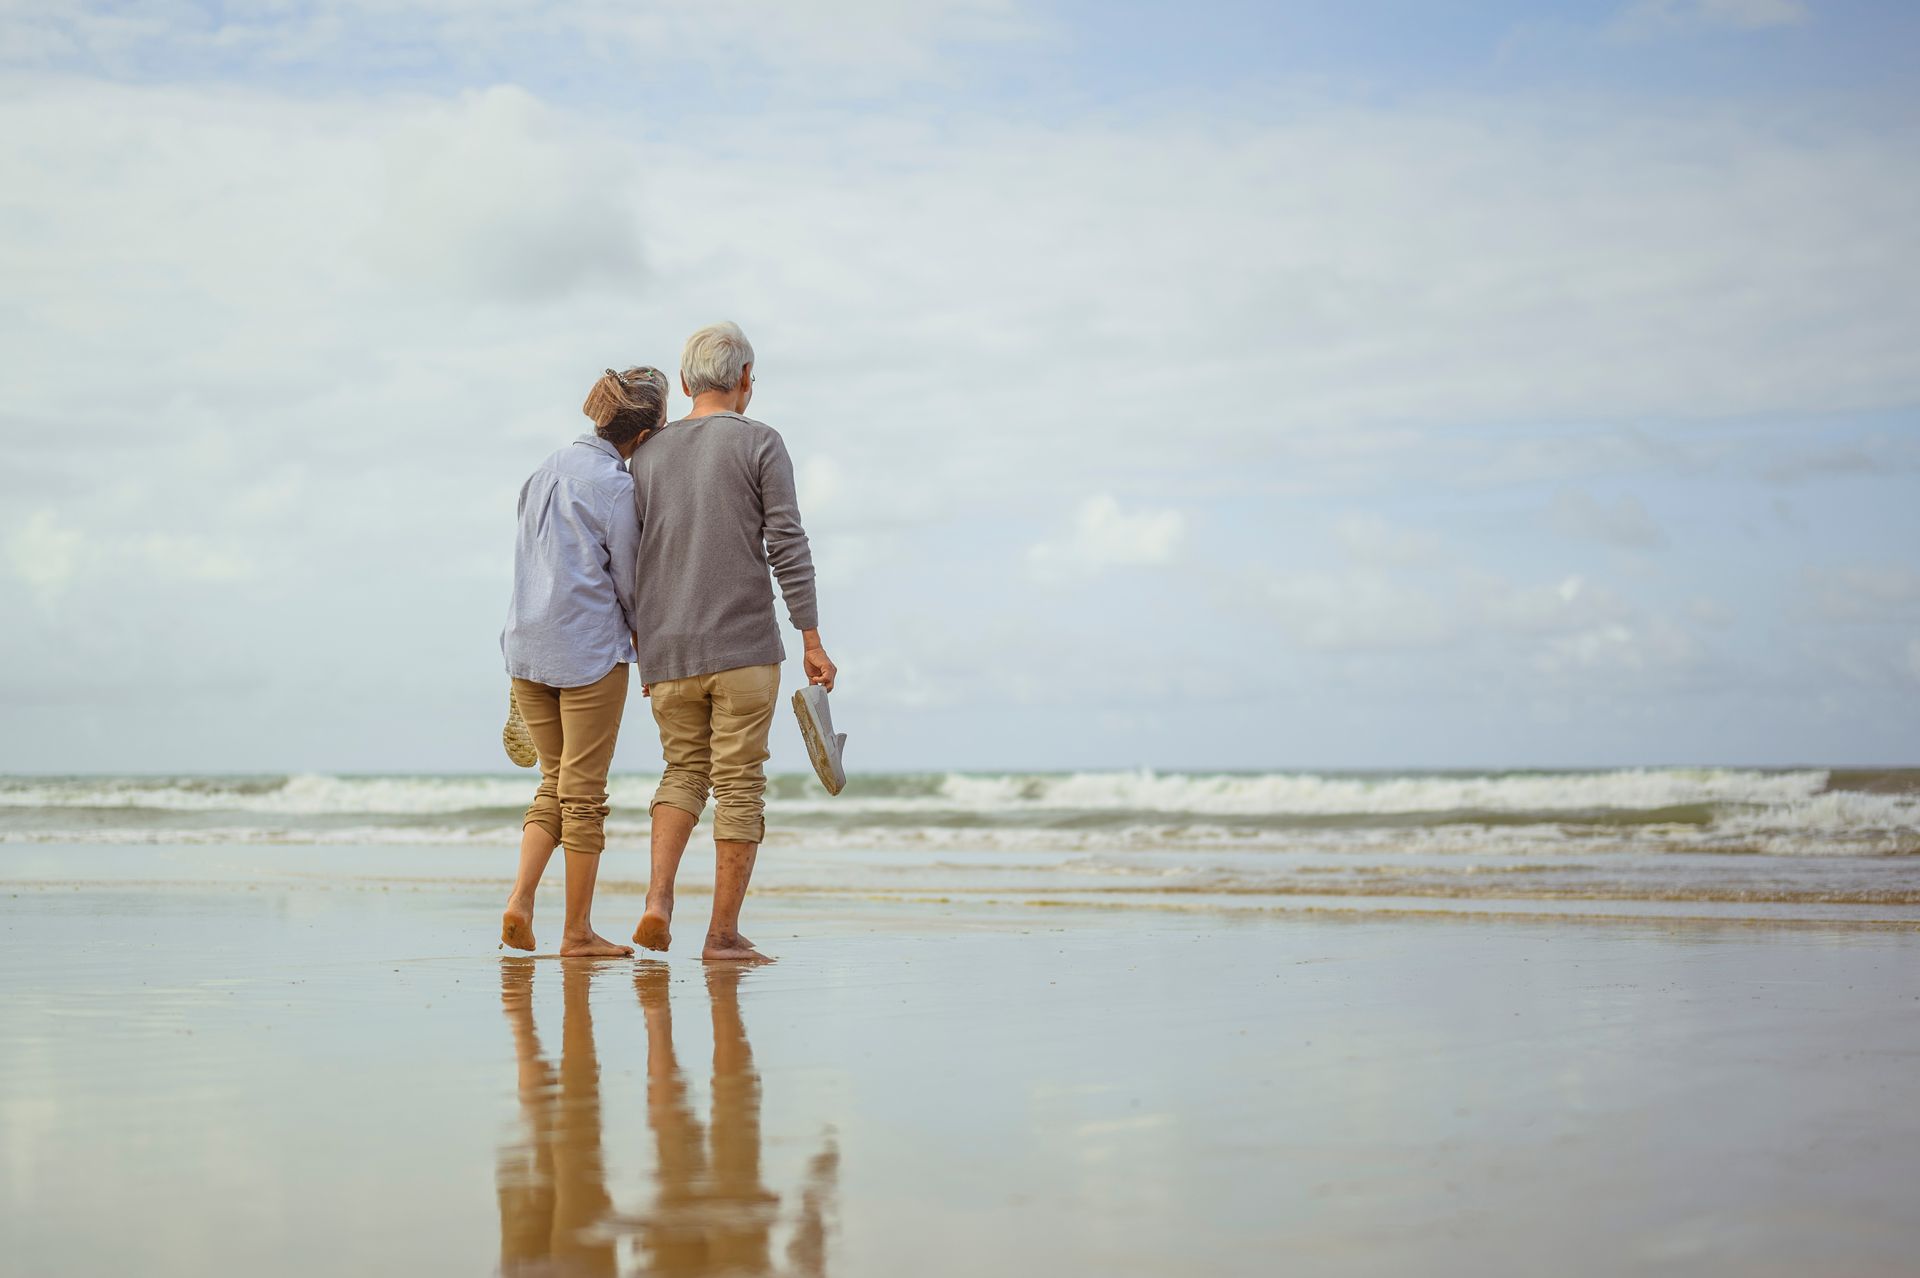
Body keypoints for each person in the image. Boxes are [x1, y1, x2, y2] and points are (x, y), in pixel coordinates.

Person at [628, 322, 836, 962]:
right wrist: (811, 637)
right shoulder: (761, 443)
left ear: (686, 381)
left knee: (682, 773)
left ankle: (658, 901)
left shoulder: (646, 456)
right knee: (739, 785)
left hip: (667, 652)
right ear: (745, 380)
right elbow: (787, 545)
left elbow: (627, 554)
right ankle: (721, 935)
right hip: (743, 646)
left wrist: (639, 641)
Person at [499, 366, 669, 957]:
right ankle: (576, 932)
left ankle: (521, 901)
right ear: (645, 436)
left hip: (524, 646)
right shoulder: (615, 488)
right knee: (585, 794)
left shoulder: (544, 467)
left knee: (556, 781)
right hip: (586, 651)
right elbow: (629, 579)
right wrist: (648, 645)